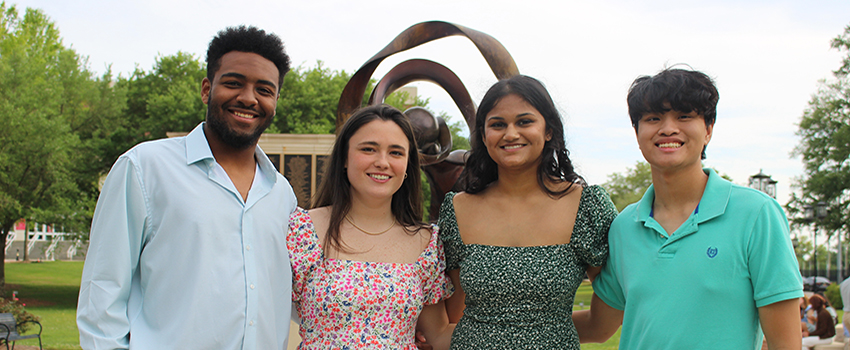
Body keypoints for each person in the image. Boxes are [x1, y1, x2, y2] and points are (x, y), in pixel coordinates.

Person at [76, 26, 296, 349]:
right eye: (234, 83)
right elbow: (102, 294)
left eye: (264, 89)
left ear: (275, 100)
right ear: (207, 89)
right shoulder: (144, 169)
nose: (248, 98)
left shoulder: (282, 194)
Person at [573, 67, 804, 349]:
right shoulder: (623, 227)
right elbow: (599, 327)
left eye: (684, 116)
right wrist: (515, 326)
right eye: (653, 118)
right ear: (637, 133)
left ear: (708, 129)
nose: (668, 128)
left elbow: (786, 343)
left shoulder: (757, 214)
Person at [437, 75, 618, 348]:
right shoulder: (456, 209)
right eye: (497, 124)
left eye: (524, 122)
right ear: (484, 136)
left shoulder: (587, 207)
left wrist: (542, 334)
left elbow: (603, 323)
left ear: (548, 130)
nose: (511, 134)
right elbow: (453, 316)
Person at [287, 104, 454, 349]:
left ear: (408, 165)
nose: (382, 162)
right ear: (344, 157)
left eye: (396, 153)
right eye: (369, 149)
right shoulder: (302, 231)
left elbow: (438, 334)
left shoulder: (426, 243)